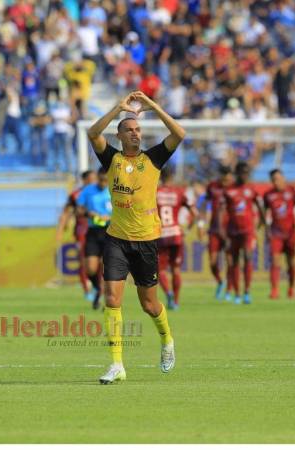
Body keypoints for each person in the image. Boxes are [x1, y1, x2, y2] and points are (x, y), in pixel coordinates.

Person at [86, 90, 185, 384]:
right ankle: (117, 365)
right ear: (119, 135)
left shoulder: (153, 159)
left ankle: (167, 341)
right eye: (129, 130)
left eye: (138, 129)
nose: (135, 134)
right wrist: (118, 108)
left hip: (145, 241)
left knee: (149, 305)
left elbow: (179, 133)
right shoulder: (112, 159)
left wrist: (153, 105)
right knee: (112, 298)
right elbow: (92, 133)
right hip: (116, 239)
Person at [219, 161, 265, 305]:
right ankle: (237, 293)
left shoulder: (251, 189)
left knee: (248, 257)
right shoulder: (228, 191)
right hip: (233, 231)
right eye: (243, 173)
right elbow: (221, 212)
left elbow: (261, 207)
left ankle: (247, 292)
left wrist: (261, 225)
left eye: (247, 173)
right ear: (237, 174)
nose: (246, 176)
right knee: (234, 262)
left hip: (248, 231)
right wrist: (222, 232)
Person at [156, 166, 196, 310]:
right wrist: (187, 228)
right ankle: (176, 302)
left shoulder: (155, 193)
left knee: (160, 270)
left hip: (160, 235)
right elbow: (195, 213)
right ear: (172, 178)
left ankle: (169, 294)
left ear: (160, 177)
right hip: (176, 233)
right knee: (176, 269)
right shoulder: (179, 193)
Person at [55, 170, 98, 302]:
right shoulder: (76, 195)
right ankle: (87, 291)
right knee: (84, 262)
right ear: (84, 180)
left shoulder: (100, 192)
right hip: (82, 232)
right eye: (91, 179)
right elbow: (66, 212)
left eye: (95, 179)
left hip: (99, 231)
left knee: (100, 262)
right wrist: (61, 229)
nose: (94, 181)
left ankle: (97, 286)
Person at [197, 165, 235, 300]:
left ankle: (229, 290)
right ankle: (220, 282)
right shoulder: (213, 186)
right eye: (224, 177)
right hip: (214, 230)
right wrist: (200, 224)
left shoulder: (235, 187)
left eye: (228, 177)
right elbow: (202, 205)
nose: (226, 180)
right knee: (212, 262)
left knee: (230, 261)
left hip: (231, 230)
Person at [263, 169, 295, 299]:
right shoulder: (268, 195)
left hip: (291, 232)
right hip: (276, 233)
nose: (276, 182)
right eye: (274, 180)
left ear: (283, 178)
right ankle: (274, 290)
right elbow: (265, 213)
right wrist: (267, 229)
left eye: (278, 178)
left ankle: (291, 288)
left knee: (291, 261)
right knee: (275, 261)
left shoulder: (293, 192)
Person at [76, 168, 111, 310]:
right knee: (90, 268)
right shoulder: (88, 190)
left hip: (111, 232)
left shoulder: (115, 190)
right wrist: (87, 213)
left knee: (107, 268)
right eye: (101, 179)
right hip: (93, 231)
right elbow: (78, 209)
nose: (103, 183)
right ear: (97, 178)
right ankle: (98, 289)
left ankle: (105, 297)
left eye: (106, 180)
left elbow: (126, 211)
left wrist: (110, 217)